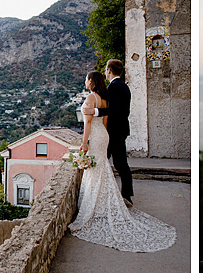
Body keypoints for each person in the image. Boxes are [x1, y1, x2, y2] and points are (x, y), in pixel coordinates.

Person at [69, 71, 176, 252]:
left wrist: (85, 142)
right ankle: (114, 200)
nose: (85, 81)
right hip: (104, 135)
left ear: (92, 81)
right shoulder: (105, 96)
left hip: (98, 136)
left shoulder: (98, 95)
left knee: (102, 168)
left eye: (87, 78)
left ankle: (102, 204)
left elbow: (89, 123)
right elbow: (105, 120)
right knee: (104, 167)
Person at [83, 59, 134, 207]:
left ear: (109, 71)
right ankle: (122, 195)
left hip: (114, 131)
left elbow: (116, 110)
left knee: (115, 164)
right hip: (114, 130)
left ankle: (122, 196)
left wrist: (95, 111)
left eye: (106, 69)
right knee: (114, 163)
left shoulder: (116, 87)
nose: (105, 72)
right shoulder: (121, 86)